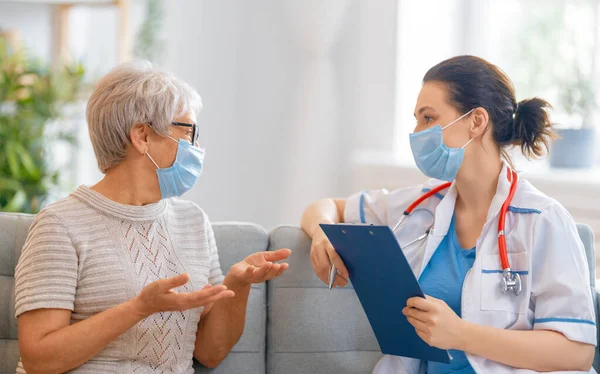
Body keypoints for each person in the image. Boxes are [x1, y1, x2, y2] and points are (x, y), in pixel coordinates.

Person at [301, 55, 596, 373]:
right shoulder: (423, 204)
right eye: (416, 119)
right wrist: (322, 232)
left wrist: (460, 334)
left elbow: (575, 352)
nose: (416, 132)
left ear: (477, 121)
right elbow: (326, 206)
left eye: (428, 118)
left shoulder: (542, 219)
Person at [14, 61, 291, 374]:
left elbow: (210, 353)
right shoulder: (60, 224)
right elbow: (40, 359)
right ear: (142, 136)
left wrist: (236, 285)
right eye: (189, 131)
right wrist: (139, 308)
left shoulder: (192, 221)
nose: (197, 147)